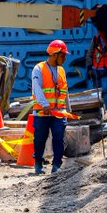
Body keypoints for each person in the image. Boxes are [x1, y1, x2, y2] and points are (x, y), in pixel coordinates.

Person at [31, 39, 72, 174]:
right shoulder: (39, 69)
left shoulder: (61, 70)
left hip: (59, 112)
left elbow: (65, 91)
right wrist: (45, 105)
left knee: (59, 137)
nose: (65, 58)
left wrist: (69, 110)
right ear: (54, 54)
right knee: (40, 138)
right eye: (63, 55)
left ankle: (56, 165)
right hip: (43, 112)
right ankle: (38, 163)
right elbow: (37, 88)